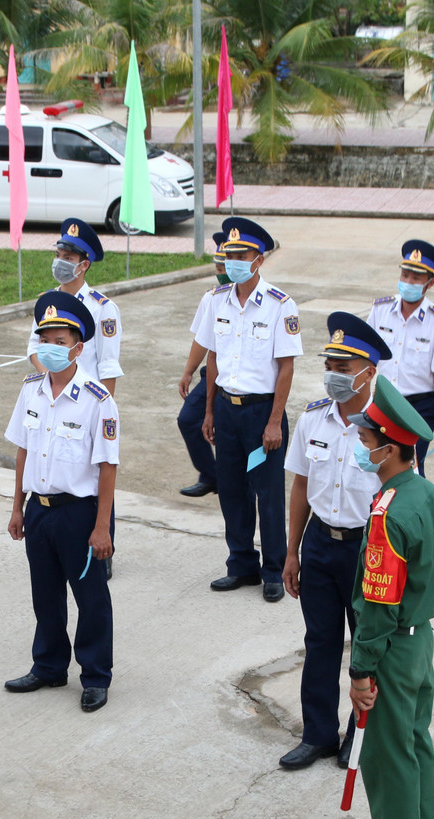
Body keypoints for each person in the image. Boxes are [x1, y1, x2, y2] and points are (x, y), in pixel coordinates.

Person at [337, 376, 434, 819]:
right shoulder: (427, 494)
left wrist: (361, 669)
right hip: (419, 639)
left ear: (391, 449)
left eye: (366, 442)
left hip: (392, 648)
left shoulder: (387, 515)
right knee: (414, 740)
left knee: (386, 751)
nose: (361, 447)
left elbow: (378, 605)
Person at [279, 314, 390, 771]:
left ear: (369, 372)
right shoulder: (312, 419)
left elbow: (403, 497)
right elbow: (301, 486)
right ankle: (319, 734)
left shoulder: (387, 428)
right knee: (321, 640)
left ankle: (359, 736)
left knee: (368, 646)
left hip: (369, 549)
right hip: (321, 544)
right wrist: (291, 550)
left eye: (344, 368)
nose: (334, 375)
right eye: (330, 364)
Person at [4, 291, 119, 713]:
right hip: (39, 510)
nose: (50, 347)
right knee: (45, 594)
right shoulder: (31, 391)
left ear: (77, 346)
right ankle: (49, 665)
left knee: (90, 598)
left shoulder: (97, 400)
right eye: (44, 339)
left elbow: (107, 467)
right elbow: (21, 450)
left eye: (59, 339)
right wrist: (17, 506)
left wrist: (102, 526)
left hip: (79, 513)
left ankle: (95, 675)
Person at [199, 217, 303, 602]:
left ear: (258, 260)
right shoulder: (216, 301)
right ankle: (241, 564)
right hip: (227, 409)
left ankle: (274, 569)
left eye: (241, 255)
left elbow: (287, 366)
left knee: (268, 495)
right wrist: (209, 411)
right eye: (228, 255)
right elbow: (212, 358)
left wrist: (275, 421)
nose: (232, 262)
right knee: (231, 491)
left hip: (263, 414)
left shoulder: (280, 305)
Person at [366, 240, 434, 476]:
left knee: (411, 468)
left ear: (430, 283)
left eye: (416, 279)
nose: (409, 283)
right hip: (383, 401)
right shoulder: (380, 310)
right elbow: (366, 359)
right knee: (375, 462)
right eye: (405, 275)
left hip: (419, 408)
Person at [26, 218, 123, 396]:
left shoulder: (102, 308)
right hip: (49, 394)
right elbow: (34, 347)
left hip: (85, 400)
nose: (59, 262)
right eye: (58, 256)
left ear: (84, 265)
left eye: (68, 258)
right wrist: (51, 379)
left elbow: (108, 365)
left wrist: (105, 409)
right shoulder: (48, 301)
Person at [176, 232, 228, 498]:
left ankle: (236, 481)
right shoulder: (212, 298)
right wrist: (188, 371)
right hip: (213, 374)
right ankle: (212, 475)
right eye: (216, 268)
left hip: (244, 381)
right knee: (188, 419)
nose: (219, 273)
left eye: (223, 267)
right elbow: (202, 339)